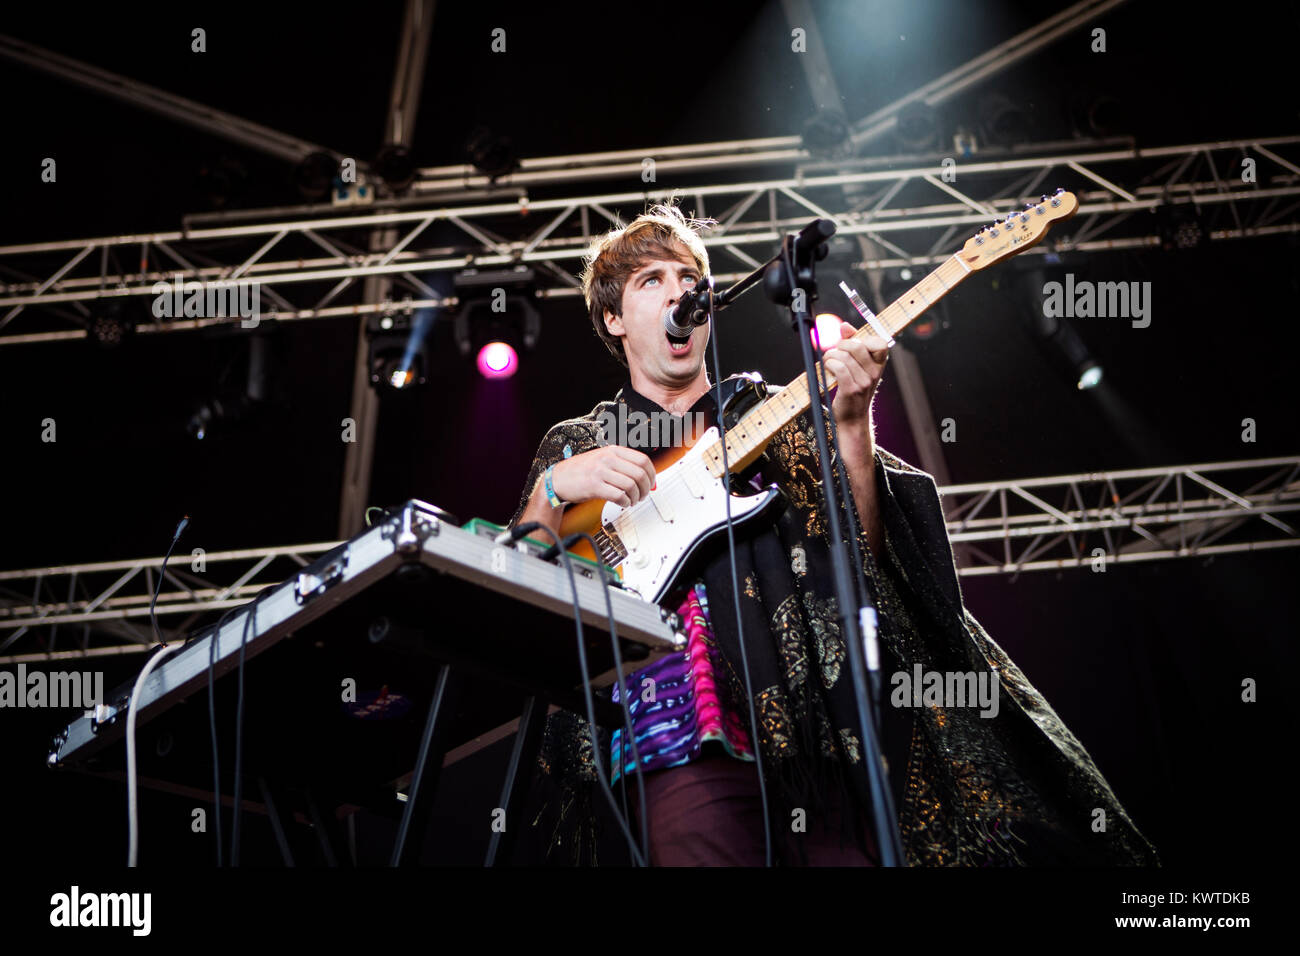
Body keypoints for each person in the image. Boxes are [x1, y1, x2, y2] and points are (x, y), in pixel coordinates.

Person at [508, 202, 1158, 867]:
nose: (678, 291)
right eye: (651, 281)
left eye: (688, 277)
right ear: (613, 318)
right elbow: (515, 581)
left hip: (816, 723)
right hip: (672, 729)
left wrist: (852, 424)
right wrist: (555, 487)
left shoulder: (765, 414)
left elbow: (860, 557)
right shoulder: (580, 443)